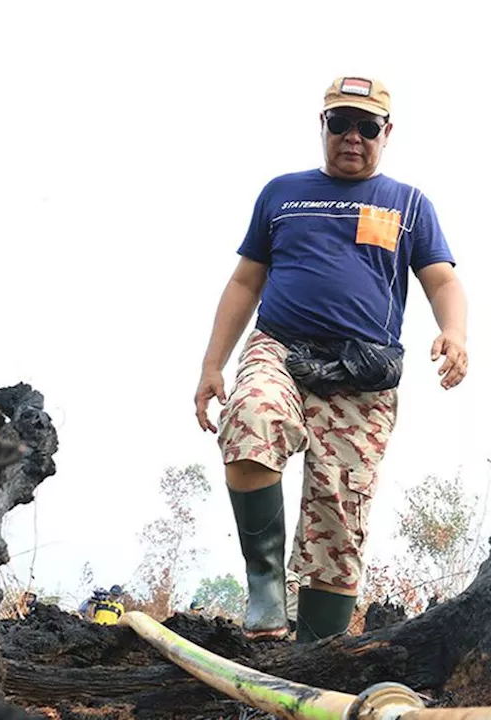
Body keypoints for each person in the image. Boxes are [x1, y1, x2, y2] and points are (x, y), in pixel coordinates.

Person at [193, 76, 469, 644]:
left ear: (386, 133)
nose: (352, 136)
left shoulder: (409, 204)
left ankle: (315, 656)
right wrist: (211, 365)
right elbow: (246, 281)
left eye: (366, 127)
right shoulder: (282, 194)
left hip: (362, 376)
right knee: (250, 419)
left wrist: (455, 332)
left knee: (339, 518)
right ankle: (265, 587)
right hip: (280, 347)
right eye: (339, 123)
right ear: (322, 126)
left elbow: (442, 279)